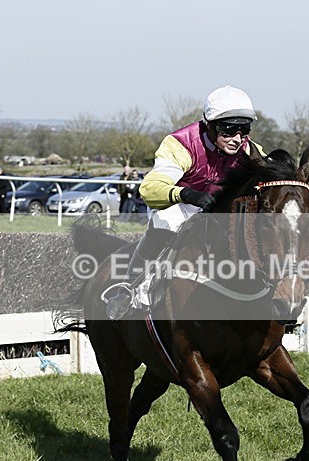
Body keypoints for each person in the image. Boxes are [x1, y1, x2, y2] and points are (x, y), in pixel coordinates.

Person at [105, 85, 262, 319]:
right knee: (166, 221)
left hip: (217, 212)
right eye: (229, 130)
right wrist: (186, 194)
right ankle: (129, 287)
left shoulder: (250, 150)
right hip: (181, 206)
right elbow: (149, 189)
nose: (237, 138)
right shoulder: (180, 143)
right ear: (209, 125)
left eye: (244, 129)